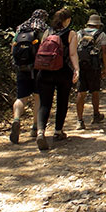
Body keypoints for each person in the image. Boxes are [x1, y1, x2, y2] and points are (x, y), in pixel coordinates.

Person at [35, 8, 79, 150]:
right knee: (62, 101)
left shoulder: (48, 32)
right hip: (63, 71)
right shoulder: (71, 34)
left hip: (45, 71)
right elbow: (72, 54)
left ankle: (41, 132)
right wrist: (77, 70)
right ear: (67, 20)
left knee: (44, 103)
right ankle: (58, 131)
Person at [9, 9, 49, 144]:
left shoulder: (20, 28)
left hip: (22, 68)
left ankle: (16, 119)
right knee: (38, 97)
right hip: (38, 68)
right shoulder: (44, 28)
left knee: (21, 97)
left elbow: (13, 48)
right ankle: (34, 127)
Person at [75, 14, 106, 129]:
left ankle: (79, 120)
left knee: (81, 91)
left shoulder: (79, 33)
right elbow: (104, 52)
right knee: (95, 91)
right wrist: (105, 68)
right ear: (98, 24)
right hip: (94, 66)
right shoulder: (101, 34)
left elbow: (74, 50)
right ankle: (95, 115)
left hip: (80, 65)